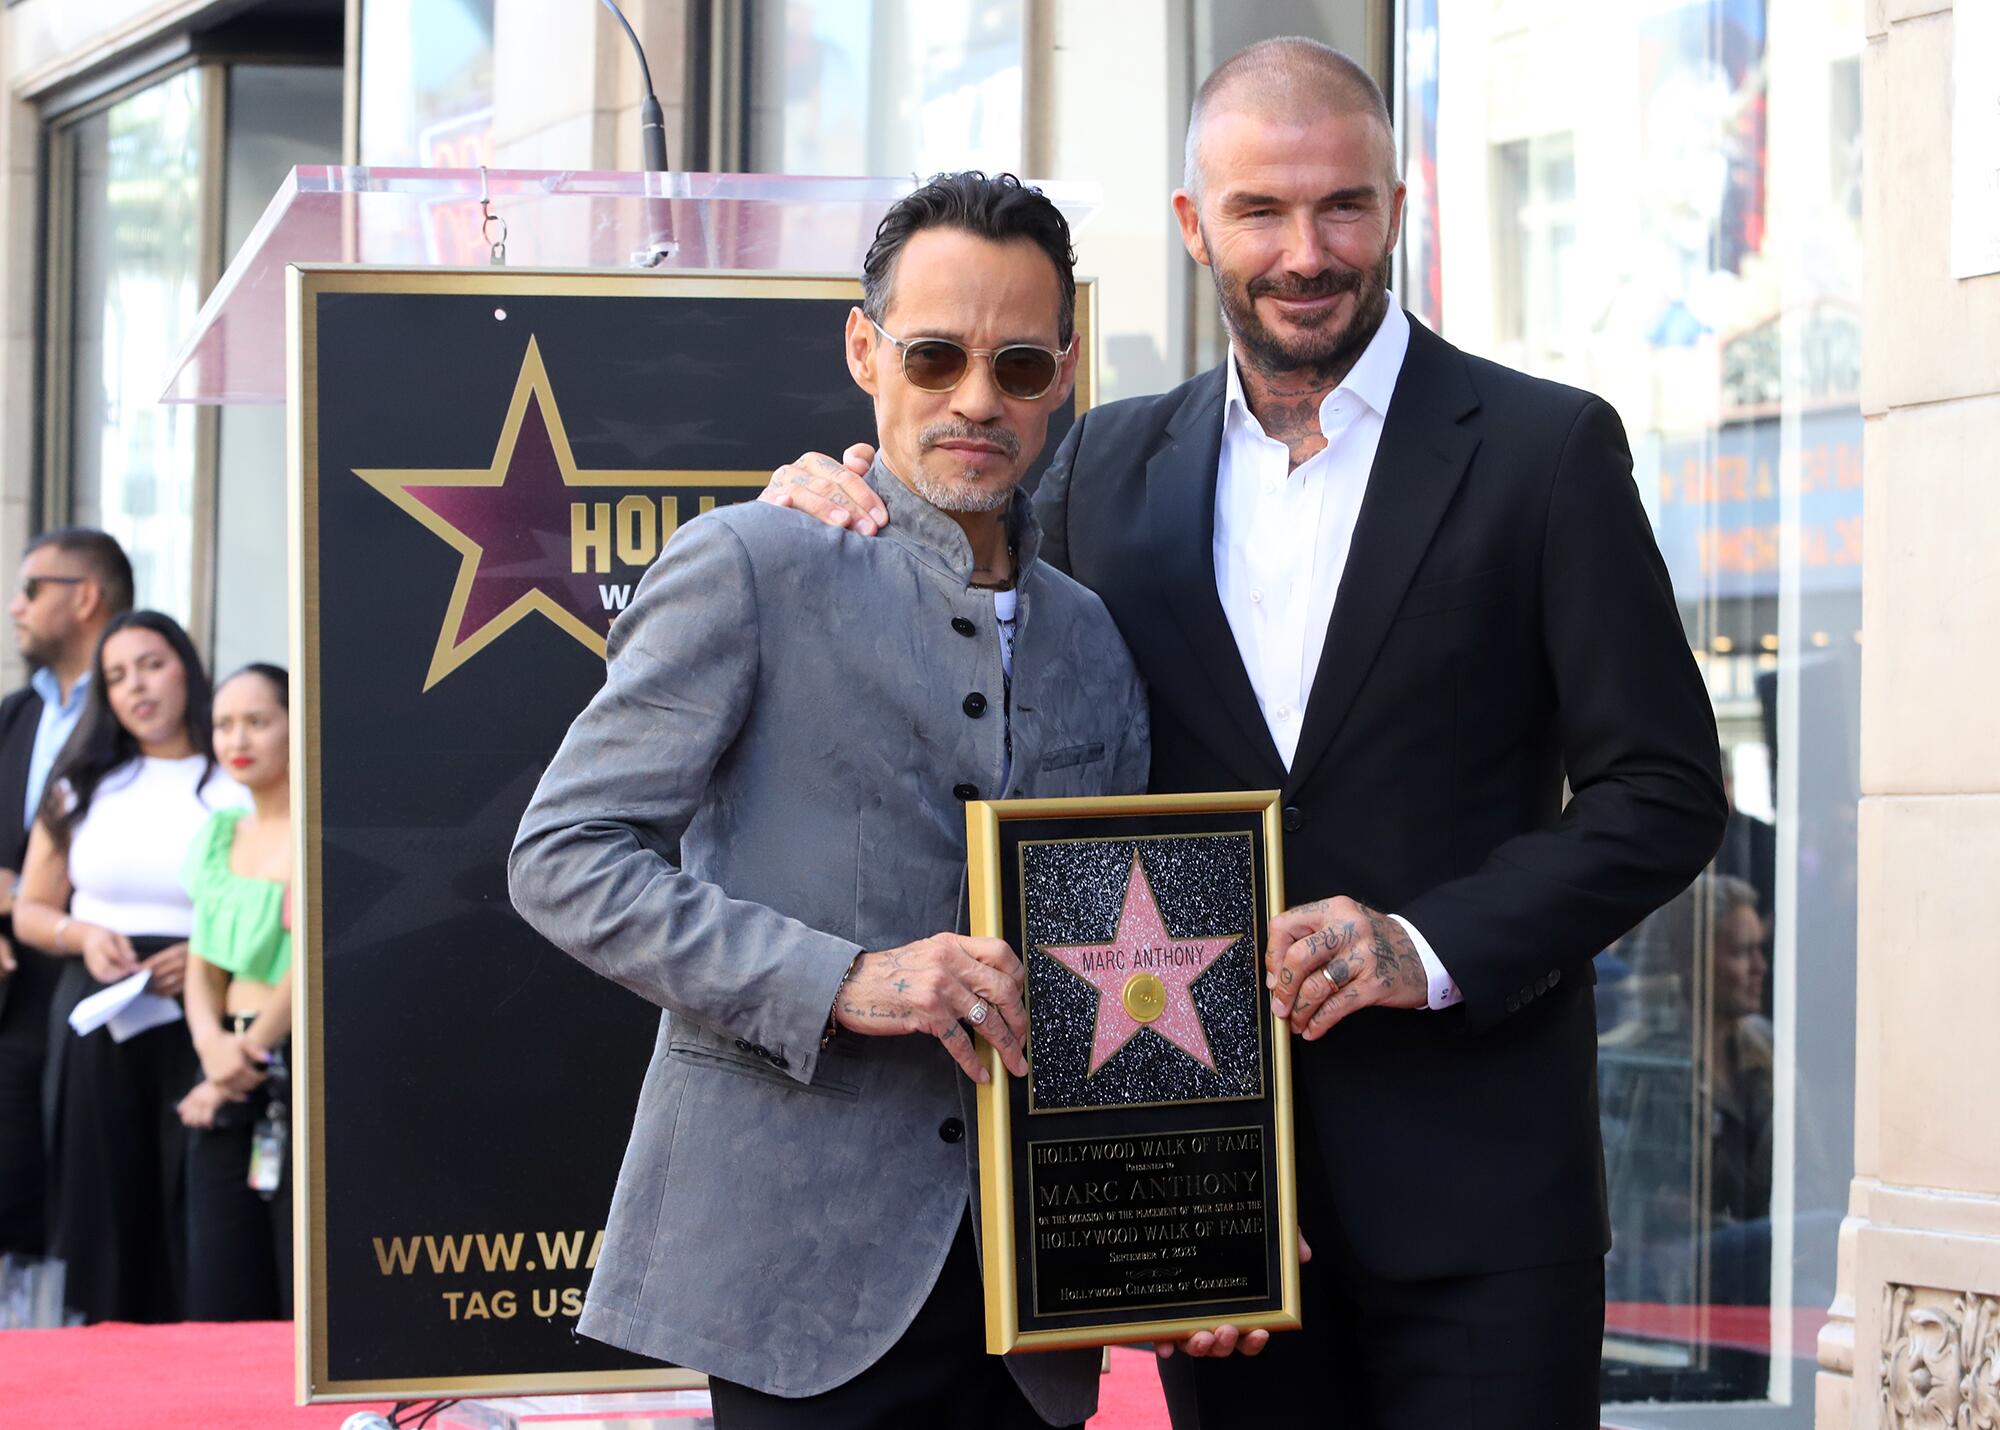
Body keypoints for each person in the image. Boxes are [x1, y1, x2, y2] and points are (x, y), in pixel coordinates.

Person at [762, 38, 1727, 1429]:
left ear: (1398, 206)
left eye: (1342, 206)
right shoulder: (1100, 466)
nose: (1305, 250)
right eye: (1261, 211)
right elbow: (957, 599)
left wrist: (1428, 945)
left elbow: (1664, 789)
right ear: (1193, 224)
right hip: (1207, 1214)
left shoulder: (1546, 451)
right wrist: (831, 492)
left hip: (1483, 1202)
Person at [510, 172, 1151, 1429]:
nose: (976, 398)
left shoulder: (1096, 640)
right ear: (864, 349)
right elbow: (564, 855)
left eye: (1018, 366)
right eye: (933, 354)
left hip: (1038, 1302)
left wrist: (1203, 1201)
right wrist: (841, 978)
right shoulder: (752, 560)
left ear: (1064, 373)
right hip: (794, 1279)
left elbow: (1128, 948)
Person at [13, 610, 245, 1323]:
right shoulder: (81, 784)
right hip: (101, 1002)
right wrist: (81, 935)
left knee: (200, 1195)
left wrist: (207, 953)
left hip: (209, 1001)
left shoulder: (235, 776)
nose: (135, 686)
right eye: (115, 675)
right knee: (99, 1191)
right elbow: (30, 909)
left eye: (150, 664)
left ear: (186, 668)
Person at [0, 529, 131, 1269]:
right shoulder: (16, 715)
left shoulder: (147, 714)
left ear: (85, 597)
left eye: (31, 588)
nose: (15, 607)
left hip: (116, 985)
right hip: (19, 982)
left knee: (92, 1192)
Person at [175, 663, 293, 1321]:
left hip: (286, 1059)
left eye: (257, 720)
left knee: (294, 1278)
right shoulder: (220, 832)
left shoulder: (318, 829)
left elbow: (309, 963)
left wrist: (236, 1064)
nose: (236, 737)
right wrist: (210, 1046)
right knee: (218, 1275)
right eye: (223, 723)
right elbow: (204, 958)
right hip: (222, 1056)